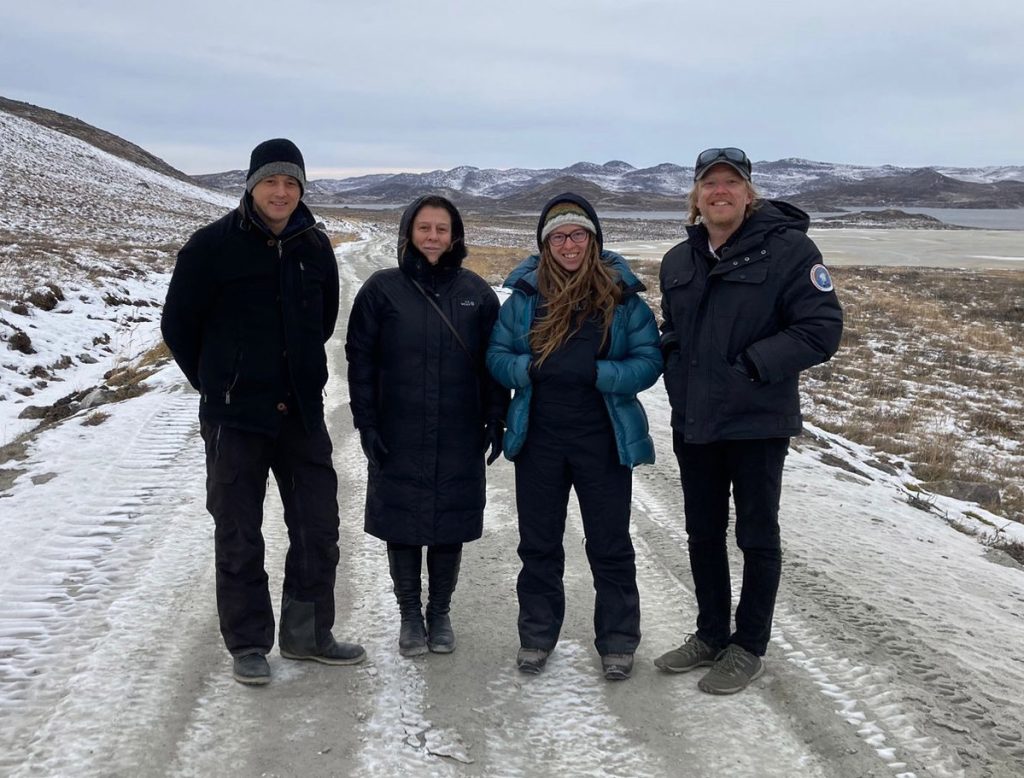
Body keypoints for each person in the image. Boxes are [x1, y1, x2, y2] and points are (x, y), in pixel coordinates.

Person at [161, 138, 365, 686]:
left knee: (318, 527)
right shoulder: (210, 247)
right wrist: (217, 383)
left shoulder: (314, 245)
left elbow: (322, 321)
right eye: (271, 182)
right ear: (251, 186)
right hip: (235, 418)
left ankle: (307, 635)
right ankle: (249, 643)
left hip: (299, 413)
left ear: (301, 188)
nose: (281, 192)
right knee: (238, 532)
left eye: (291, 183)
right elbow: (178, 328)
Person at [654, 147, 843, 694]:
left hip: (758, 420)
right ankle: (711, 633)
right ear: (696, 197)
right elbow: (673, 328)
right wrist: (676, 370)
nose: (720, 192)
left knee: (756, 535)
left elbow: (820, 329)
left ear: (748, 192)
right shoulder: (678, 260)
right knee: (702, 532)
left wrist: (752, 368)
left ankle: (749, 645)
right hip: (696, 420)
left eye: (730, 183)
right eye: (709, 184)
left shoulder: (789, 250)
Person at [486, 193, 661, 681]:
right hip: (540, 438)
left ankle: (618, 640)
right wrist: (528, 368)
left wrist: (600, 373)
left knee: (610, 543)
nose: (568, 244)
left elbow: (649, 361)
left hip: (602, 440)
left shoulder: (622, 297)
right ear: (545, 245)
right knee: (538, 544)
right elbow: (496, 355)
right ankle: (537, 635)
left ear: (593, 239)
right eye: (558, 236)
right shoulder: (524, 298)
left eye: (578, 234)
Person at [345, 194, 509, 658]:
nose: (433, 237)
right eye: (424, 228)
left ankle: (440, 613)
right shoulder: (381, 290)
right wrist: (366, 422)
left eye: (441, 229)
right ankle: (410, 616)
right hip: (399, 427)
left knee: (448, 523)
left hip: (459, 427)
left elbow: (492, 363)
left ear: (454, 235)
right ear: (408, 233)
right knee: (402, 520)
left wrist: (496, 415)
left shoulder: (477, 293)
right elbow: (361, 361)